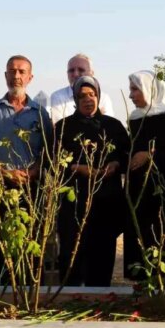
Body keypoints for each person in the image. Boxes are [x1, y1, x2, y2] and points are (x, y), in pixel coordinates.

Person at [55, 76, 130, 286]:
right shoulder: (63, 127)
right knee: (72, 257)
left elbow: (127, 156)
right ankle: (70, 298)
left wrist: (115, 164)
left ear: (98, 96)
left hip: (106, 205)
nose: (88, 100)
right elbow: (52, 162)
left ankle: (100, 299)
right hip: (74, 205)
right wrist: (78, 168)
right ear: (75, 100)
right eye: (82, 96)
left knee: (102, 257)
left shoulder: (113, 126)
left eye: (92, 94)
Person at [124, 70, 165, 280]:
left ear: (149, 89)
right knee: (139, 241)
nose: (131, 95)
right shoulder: (134, 119)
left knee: (162, 240)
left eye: (135, 89)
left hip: (163, 191)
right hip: (138, 192)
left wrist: (150, 155)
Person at [0, 55, 52, 187]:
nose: (16, 76)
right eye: (12, 71)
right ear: (6, 76)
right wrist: (6, 172)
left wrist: (34, 171)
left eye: (22, 72)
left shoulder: (40, 113)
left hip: (34, 186)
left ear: (30, 78)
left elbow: (48, 150)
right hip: (0, 187)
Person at [49, 54, 115, 124]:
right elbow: (60, 126)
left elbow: (108, 125)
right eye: (71, 70)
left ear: (92, 73)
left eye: (81, 70)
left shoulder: (104, 98)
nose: (76, 74)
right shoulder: (58, 97)